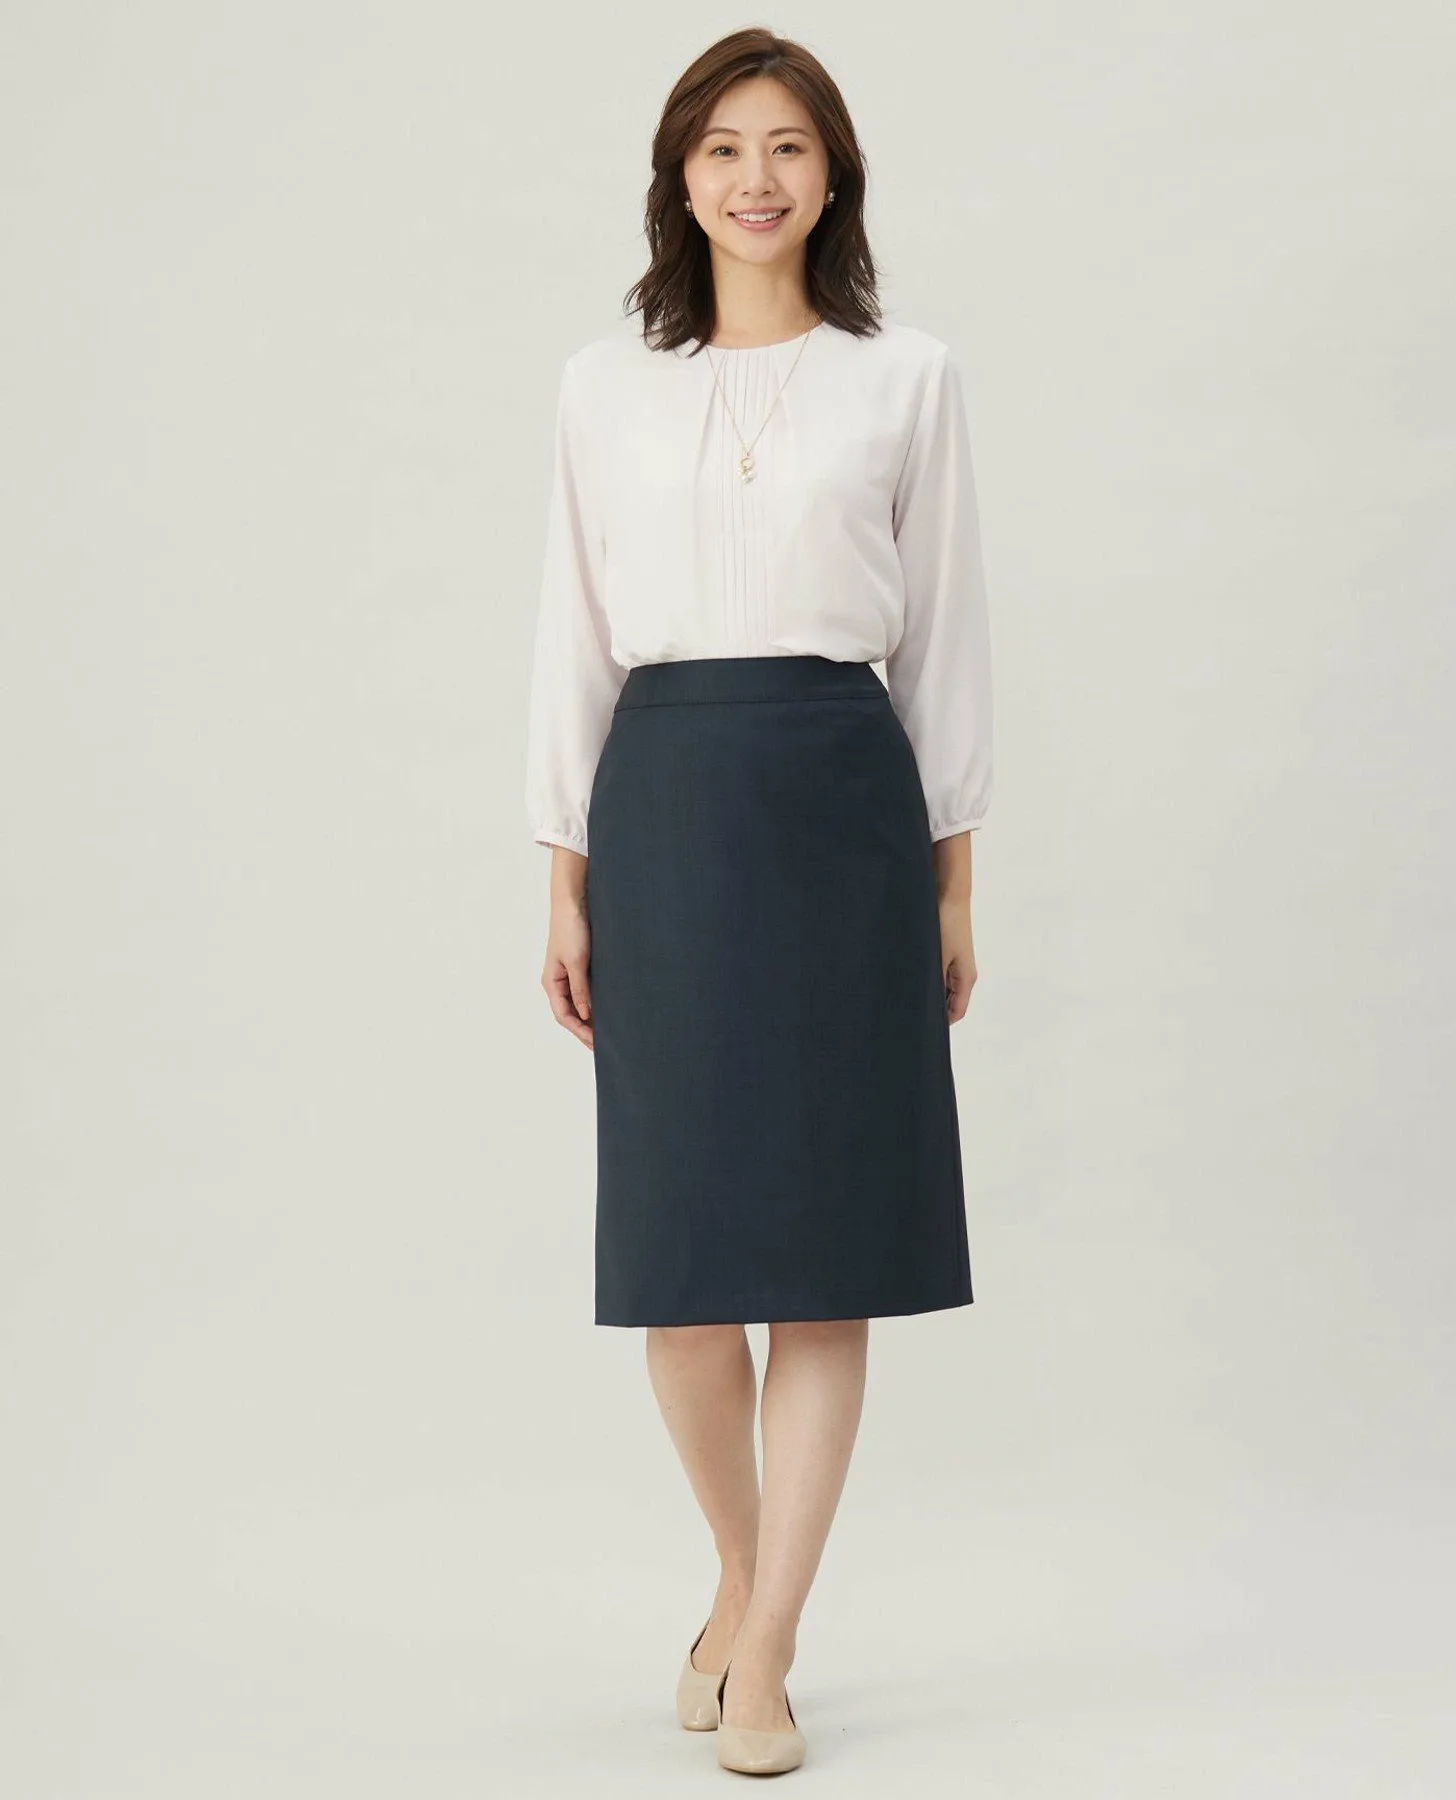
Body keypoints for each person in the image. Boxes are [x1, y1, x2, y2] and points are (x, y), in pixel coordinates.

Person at [523, 27, 994, 1779]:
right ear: (680, 177)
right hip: (662, 806)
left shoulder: (907, 377)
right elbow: (571, 639)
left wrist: (954, 882)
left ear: (833, 175)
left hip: (842, 808)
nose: (757, 177)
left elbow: (946, 638)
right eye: (724, 147)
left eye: (790, 146)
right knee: (681, 1266)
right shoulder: (602, 387)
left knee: (824, 1259)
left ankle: (770, 1643)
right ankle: (737, 1574)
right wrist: (564, 881)